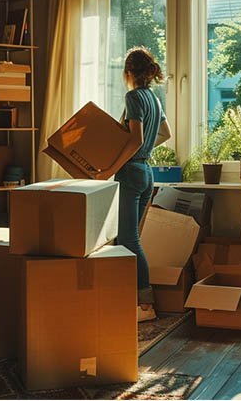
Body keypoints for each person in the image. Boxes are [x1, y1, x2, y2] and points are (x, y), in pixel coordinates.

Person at [97, 47, 171, 322]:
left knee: (128, 240)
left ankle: (145, 305)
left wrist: (109, 169)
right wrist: (146, 149)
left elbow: (135, 140)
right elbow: (166, 133)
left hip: (130, 172)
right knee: (129, 239)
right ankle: (129, 299)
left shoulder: (133, 97)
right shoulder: (153, 98)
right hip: (147, 171)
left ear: (129, 73)